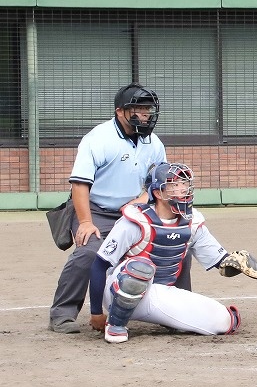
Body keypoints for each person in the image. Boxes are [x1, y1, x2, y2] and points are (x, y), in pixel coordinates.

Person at [49, 83, 192, 334]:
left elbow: (160, 182)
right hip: (96, 210)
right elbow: (79, 185)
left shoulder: (154, 142)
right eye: (138, 109)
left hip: (136, 210)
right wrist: (85, 222)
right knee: (89, 252)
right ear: (120, 111)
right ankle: (62, 314)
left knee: (175, 245)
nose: (145, 114)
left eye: (148, 109)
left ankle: (177, 312)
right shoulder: (98, 139)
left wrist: (140, 200)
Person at [88, 162, 257, 343]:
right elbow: (99, 265)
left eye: (184, 183)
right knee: (140, 268)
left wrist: (237, 263)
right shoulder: (135, 221)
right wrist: (96, 312)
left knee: (224, 321)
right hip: (117, 292)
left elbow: (221, 263)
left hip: (158, 293)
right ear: (158, 193)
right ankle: (115, 325)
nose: (183, 189)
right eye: (174, 185)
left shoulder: (192, 223)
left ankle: (171, 319)